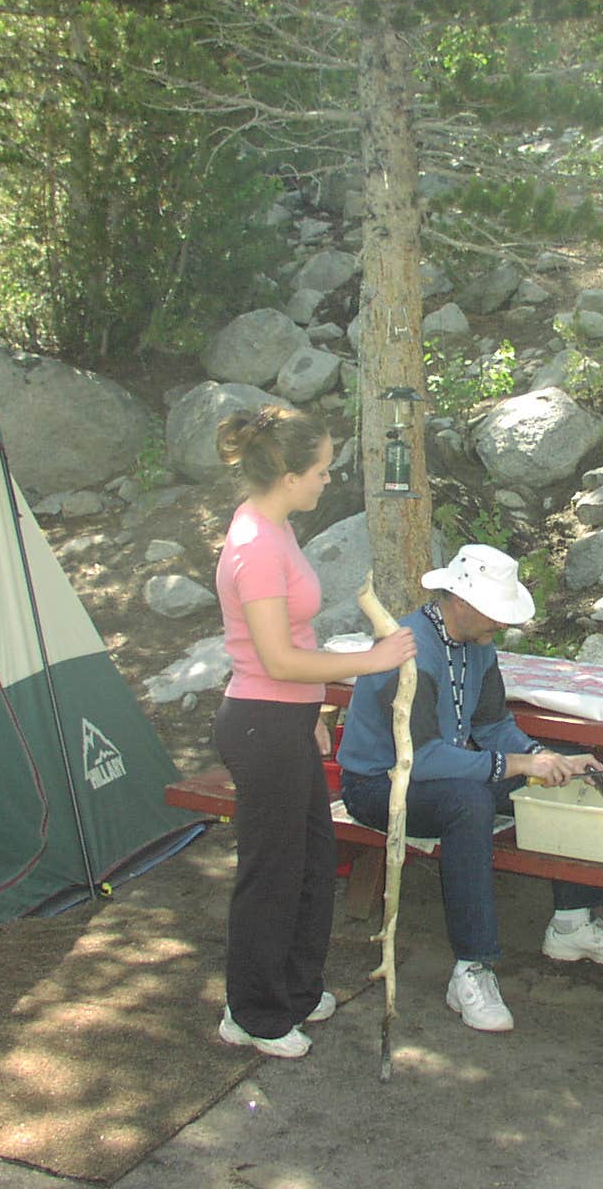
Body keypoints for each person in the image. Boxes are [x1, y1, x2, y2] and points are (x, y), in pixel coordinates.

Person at [338, 544, 603, 1033]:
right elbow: (421, 759)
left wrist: (546, 757)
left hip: (440, 771)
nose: (501, 624)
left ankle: (572, 920)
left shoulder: (477, 644)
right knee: (469, 803)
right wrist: (519, 764)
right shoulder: (409, 651)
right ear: (460, 601)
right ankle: (472, 967)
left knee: (569, 769)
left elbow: (493, 724)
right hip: (381, 785)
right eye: (494, 612)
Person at [210, 405, 417, 1060]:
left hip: (286, 721)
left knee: (310, 862)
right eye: (322, 470)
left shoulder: (277, 528)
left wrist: (314, 715)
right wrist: (371, 662)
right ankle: (252, 1013)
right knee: (271, 872)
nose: (328, 480)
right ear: (289, 475)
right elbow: (276, 659)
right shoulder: (253, 546)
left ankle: (294, 990)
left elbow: (292, 640)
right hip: (259, 724)